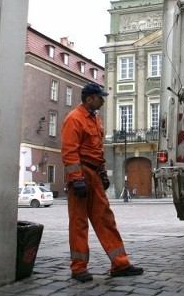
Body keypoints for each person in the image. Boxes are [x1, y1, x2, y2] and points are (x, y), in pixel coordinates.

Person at [61, 82, 144, 282]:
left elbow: (97, 151)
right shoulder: (74, 119)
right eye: (100, 97)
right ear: (89, 99)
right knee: (79, 222)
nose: (103, 101)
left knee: (105, 219)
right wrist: (76, 178)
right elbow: (69, 151)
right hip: (81, 174)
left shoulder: (95, 120)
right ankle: (78, 268)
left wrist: (103, 173)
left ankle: (120, 264)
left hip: (94, 174)